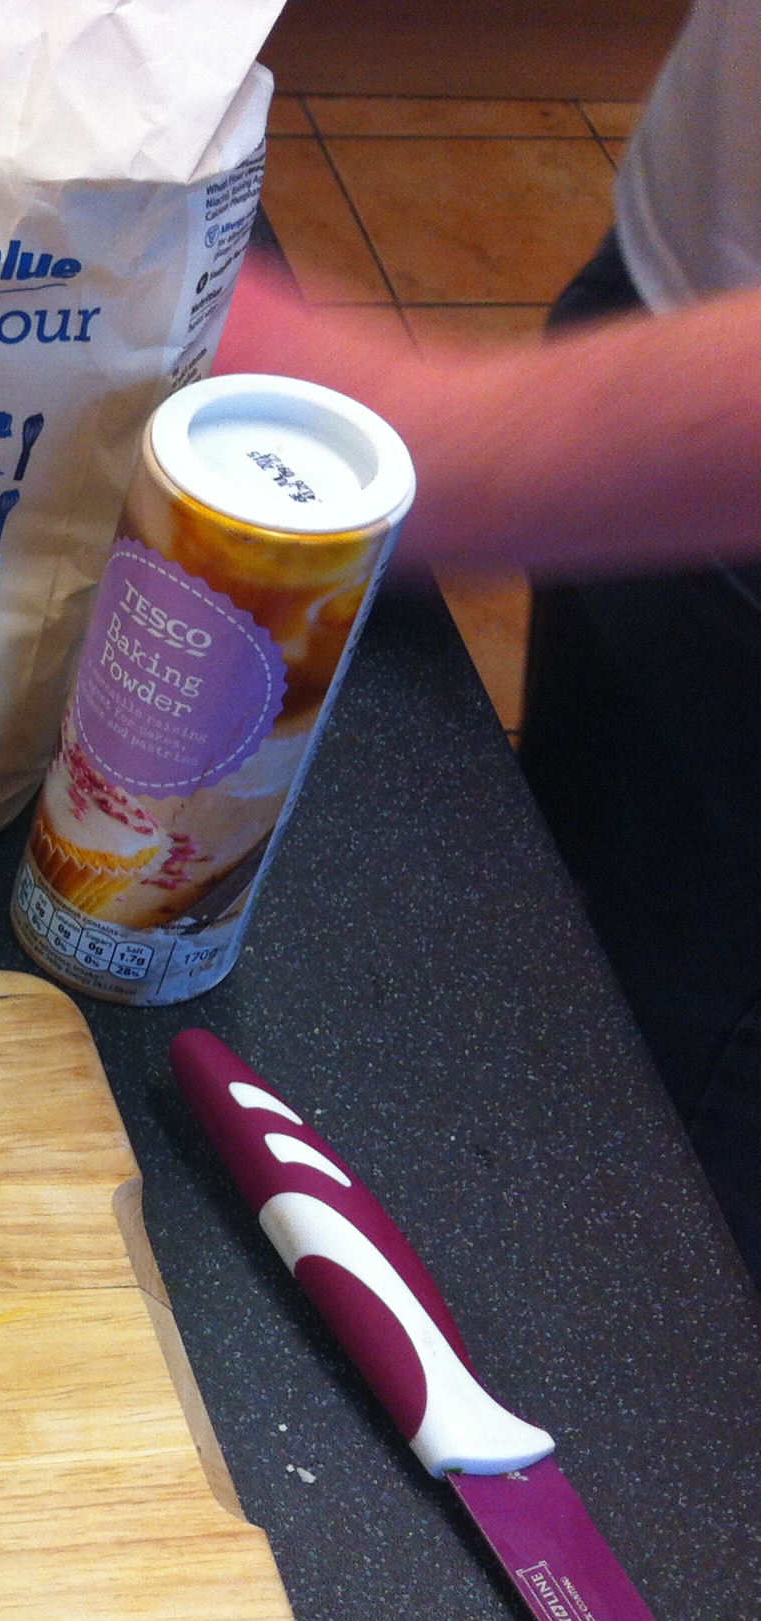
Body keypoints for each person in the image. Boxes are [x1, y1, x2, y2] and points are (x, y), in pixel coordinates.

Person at [212, 0, 761, 1274]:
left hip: (702, 477)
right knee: (567, 959)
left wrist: (433, 434)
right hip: (673, 314)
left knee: (650, 1197)